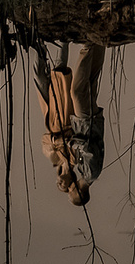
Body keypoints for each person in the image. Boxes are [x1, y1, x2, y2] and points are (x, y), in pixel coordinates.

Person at [41, 41, 105, 207]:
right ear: (79, 192)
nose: (69, 189)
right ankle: (88, 46)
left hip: (88, 122)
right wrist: (70, 143)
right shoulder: (91, 174)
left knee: (90, 83)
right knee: (76, 92)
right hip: (86, 123)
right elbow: (88, 147)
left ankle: (100, 43)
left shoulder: (85, 172)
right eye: (71, 192)